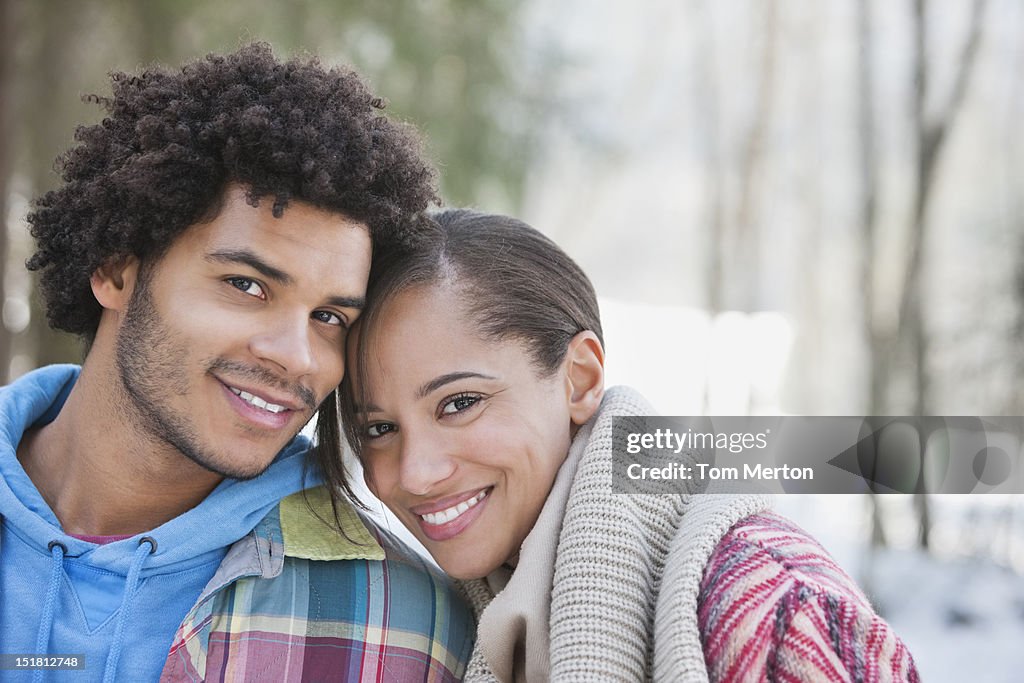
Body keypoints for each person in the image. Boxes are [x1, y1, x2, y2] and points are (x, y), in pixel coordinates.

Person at [0, 44, 473, 682]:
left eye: (329, 317)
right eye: (247, 286)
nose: (297, 356)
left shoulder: (411, 628)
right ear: (116, 269)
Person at [334, 209, 920, 682]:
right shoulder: (455, 625)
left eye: (459, 403)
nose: (414, 473)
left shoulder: (772, 607)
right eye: (380, 429)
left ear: (580, 379)